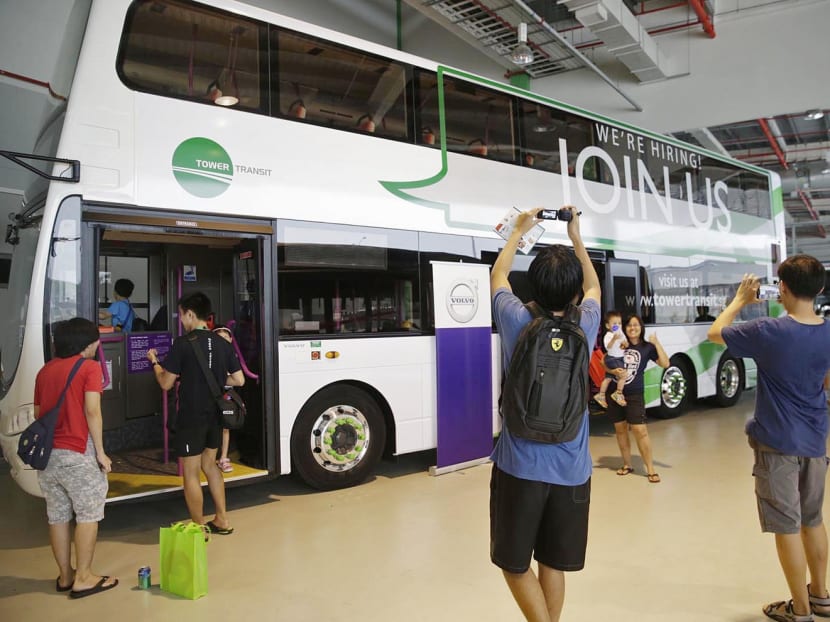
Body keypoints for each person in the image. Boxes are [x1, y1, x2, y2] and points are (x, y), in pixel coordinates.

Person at [490, 206, 600, 622]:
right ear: (573, 293)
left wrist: (518, 231)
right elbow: (594, 288)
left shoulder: (516, 317)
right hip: (572, 468)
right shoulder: (586, 323)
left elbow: (498, 277)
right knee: (553, 561)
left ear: (532, 286)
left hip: (519, 465)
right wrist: (576, 237)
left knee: (513, 563)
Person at [707, 256, 830, 622]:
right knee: (813, 518)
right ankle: (822, 597)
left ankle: (801, 610)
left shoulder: (767, 330)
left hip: (777, 444)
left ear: (784, 289)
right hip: (815, 442)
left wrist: (740, 300)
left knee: (786, 526)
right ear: (820, 289)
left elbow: (716, 333)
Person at [146, 292, 244, 534]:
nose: (181, 320)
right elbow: (239, 380)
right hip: (215, 415)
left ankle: (198, 527)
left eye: (181, 315)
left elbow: (166, 383)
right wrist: (219, 377)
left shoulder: (182, 343)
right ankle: (222, 519)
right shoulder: (223, 343)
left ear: (190, 314)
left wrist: (155, 363)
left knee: (191, 471)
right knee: (210, 466)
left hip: (191, 416)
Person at [35, 317, 118, 598]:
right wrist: (102, 452)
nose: (98, 345)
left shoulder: (45, 371)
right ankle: (84, 578)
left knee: (57, 516)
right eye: (96, 340)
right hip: (78, 452)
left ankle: (65, 576)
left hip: (48, 456)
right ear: (86, 343)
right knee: (87, 514)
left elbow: (38, 414)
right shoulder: (89, 368)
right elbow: (92, 411)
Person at [605, 315, 669, 483]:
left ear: (641, 328)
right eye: (629, 325)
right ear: (624, 328)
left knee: (640, 431)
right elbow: (605, 362)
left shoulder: (647, 347)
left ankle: (650, 469)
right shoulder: (618, 341)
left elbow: (665, 364)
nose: (632, 328)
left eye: (636, 325)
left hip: (634, 394)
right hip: (614, 393)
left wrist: (656, 343)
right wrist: (613, 372)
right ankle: (627, 464)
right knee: (620, 430)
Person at [593, 310, 629, 409]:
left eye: (619, 323)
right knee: (623, 375)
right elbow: (608, 347)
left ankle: (601, 395)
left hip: (619, 358)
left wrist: (624, 344)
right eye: (614, 323)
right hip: (613, 358)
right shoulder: (608, 335)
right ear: (608, 326)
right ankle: (618, 393)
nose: (617, 325)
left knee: (608, 378)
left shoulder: (621, 334)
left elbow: (625, 345)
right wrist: (614, 339)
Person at [213, 325, 235, 473]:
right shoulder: (210, 357)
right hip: (213, 395)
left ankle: (223, 457)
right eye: (220, 338)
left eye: (226, 338)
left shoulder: (232, 357)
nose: (224, 341)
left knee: (225, 427)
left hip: (226, 396)